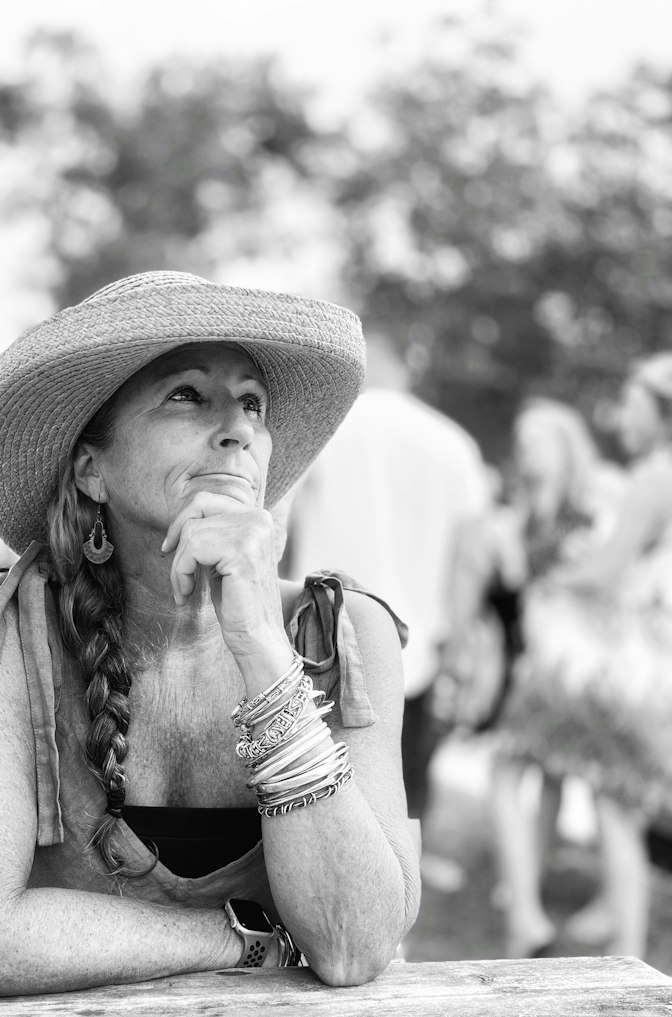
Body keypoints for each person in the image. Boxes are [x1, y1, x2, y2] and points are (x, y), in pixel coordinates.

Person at [0, 271, 420, 997]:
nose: (238, 427)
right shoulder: (6, 630)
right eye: (186, 395)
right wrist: (239, 937)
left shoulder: (343, 635)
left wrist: (262, 653)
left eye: (252, 403)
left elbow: (352, 944)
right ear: (92, 469)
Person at [284, 326, 489, 892]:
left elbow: (286, 520)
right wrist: (460, 633)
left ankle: (324, 882)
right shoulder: (452, 443)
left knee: (317, 765)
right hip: (417, 635)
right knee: (408, 768)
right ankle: (402, 884)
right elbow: (472, 556)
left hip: (323, 625)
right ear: (408, 366)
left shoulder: (327, 431)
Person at [494, 354, 672, 959]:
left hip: (617, 664)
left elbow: (604, 572)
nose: (623, 416)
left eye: (632, 402)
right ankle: (622, 945)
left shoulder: (651, 477)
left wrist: (557, 576)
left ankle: (621, 947)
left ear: (658, 406)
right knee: (615, 802)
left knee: (613, 803)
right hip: (636, 662)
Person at [461, 398, 613, 956]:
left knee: (505, 772)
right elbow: (515, 580)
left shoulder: (594, 507)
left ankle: (525, 912)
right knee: (543, 776)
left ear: (564, 444)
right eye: (520, 440)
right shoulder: (526, 514)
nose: (523, 450)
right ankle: (527, 892)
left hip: (567, 666)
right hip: (550, 663)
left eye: (535, 440)